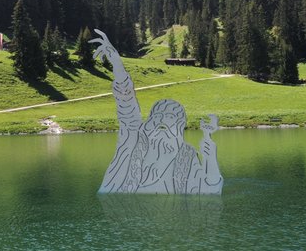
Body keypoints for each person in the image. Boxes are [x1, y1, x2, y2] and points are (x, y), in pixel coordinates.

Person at [90, 29, 222, 194]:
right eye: (157, 115)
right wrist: (117, 64)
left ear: (180, 126)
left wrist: (211, 160)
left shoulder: (187, 157)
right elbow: (126, 103)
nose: (161, 120)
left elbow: (208, 191)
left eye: (169, 116)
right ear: (149, 121)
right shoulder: (132, 140)